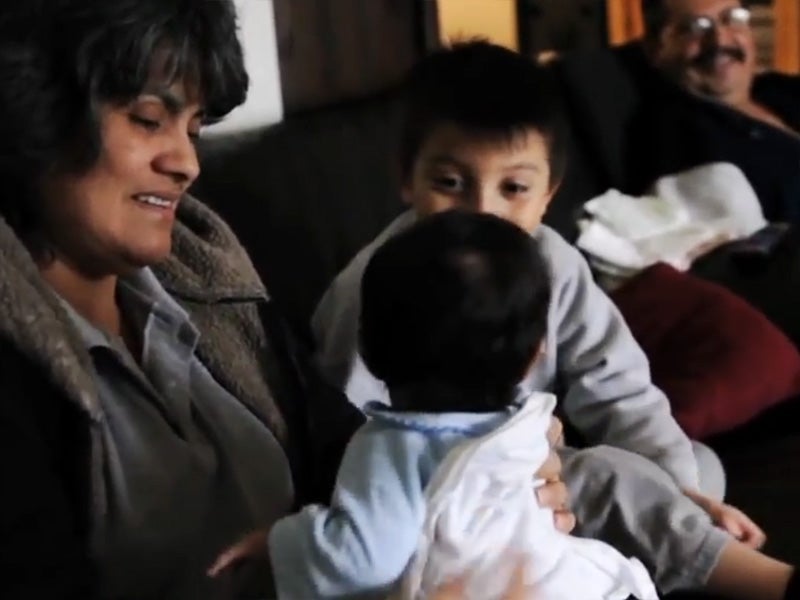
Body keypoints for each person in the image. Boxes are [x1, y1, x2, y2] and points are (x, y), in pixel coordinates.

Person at [0, 2, 570, 598]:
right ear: (37, 114)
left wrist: (483, 474)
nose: (187, 163)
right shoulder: (19, 366)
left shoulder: (210, 282)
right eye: (148, 120)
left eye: (194, 130)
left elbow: (355, 449)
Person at [310, 40, 800, 599]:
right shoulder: (379, 278)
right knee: (616, 483)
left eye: (513, 188)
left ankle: (655, 542)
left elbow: (619, 390)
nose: (483, 212)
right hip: (421, 493)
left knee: (693, 470)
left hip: (536, 469)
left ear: (549, 194)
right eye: (450, 184)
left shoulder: (555, 266)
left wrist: (681, 492)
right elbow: (346, 424)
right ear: (407, 178)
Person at [209, 210, 657, 600]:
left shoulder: (392, 446)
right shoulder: (529, 422)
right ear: (536, 353)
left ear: (366, 347)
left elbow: (367, 558)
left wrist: (280, 541)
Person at [629, 0, 800, 221]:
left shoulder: (778, 90)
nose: (719, 40)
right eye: (694, 28)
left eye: (731, 18)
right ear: (655, 50)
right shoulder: (679, 136)